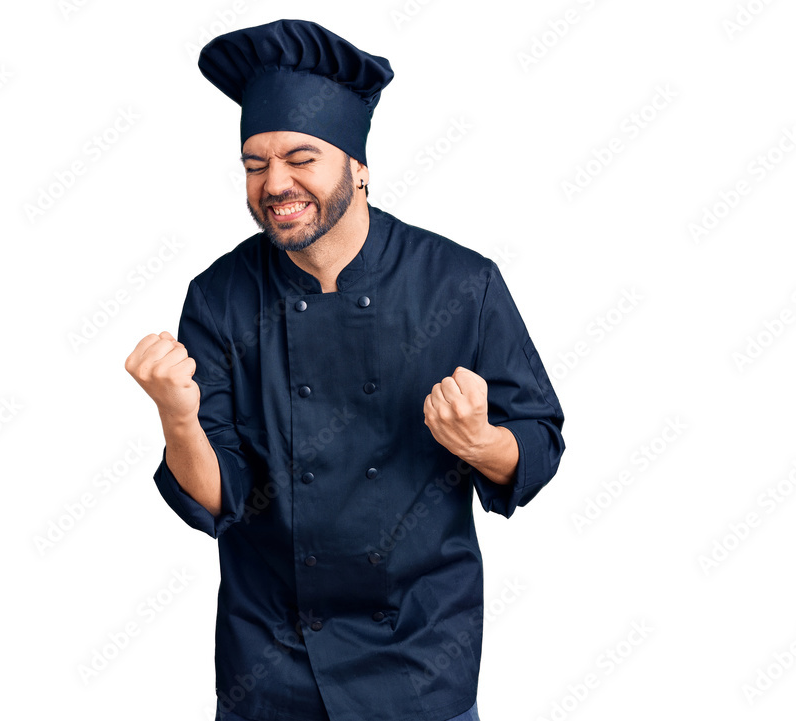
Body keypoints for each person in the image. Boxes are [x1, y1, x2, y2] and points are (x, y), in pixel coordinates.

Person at [124, 18, 566, 721]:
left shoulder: (460, 283)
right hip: (269, 663)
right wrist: (178, 416)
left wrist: (483, 443)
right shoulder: (219, 297)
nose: (275, 183)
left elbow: (539, 439)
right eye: (254, 164)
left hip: (419, 661)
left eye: (301, 157)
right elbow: (219, 496)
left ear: (358, 166)